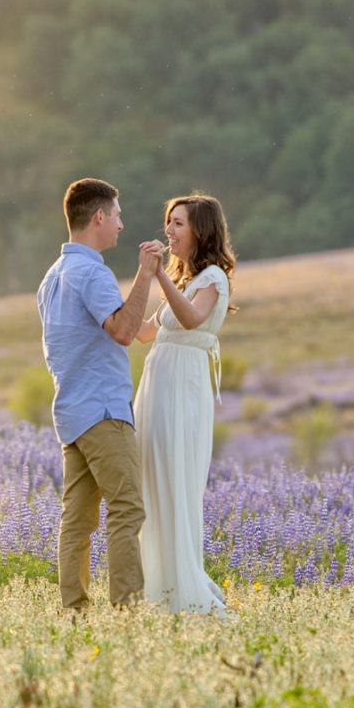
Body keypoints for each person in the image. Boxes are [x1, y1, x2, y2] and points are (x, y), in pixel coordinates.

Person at [36, 178, 164, 614]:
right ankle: (127, 612)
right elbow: (123, 332)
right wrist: (146, 275)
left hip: (72, 413)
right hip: (103, 412)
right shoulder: (92, 272)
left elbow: (127, 329)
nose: (122, 226)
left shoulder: (52, 278)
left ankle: (75, 611)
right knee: (127, 508)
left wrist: (161, 323)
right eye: (118, 216)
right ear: (99, 218)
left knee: (77, 520)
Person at [134, 192, 235, 616]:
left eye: (179, 223)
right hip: (158, 383)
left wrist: (159, 278)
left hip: (185, 386)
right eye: (168, 222)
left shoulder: (212, 278)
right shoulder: (178, 281)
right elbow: (141, 333)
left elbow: (193, 319)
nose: (169, 231)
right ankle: (156, 585)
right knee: (151, 478)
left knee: (176, 479)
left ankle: (184, 587)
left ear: (200, 230)